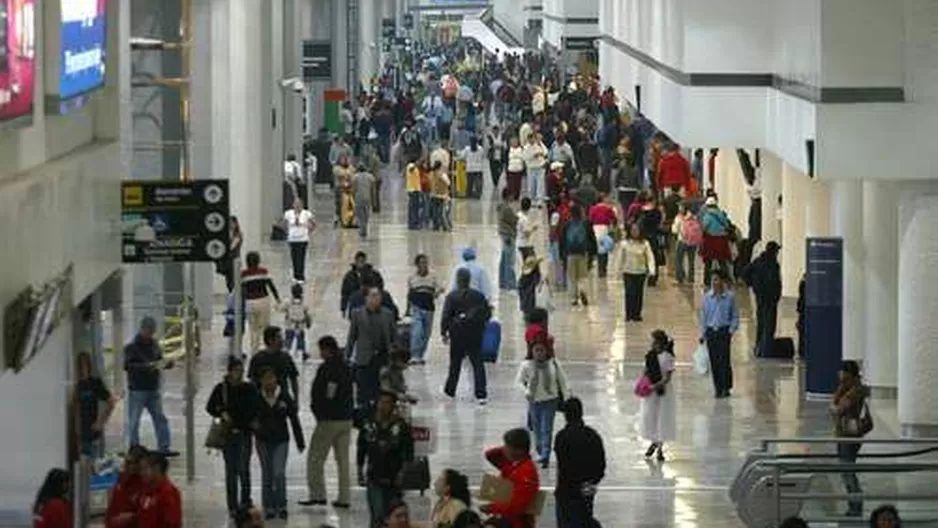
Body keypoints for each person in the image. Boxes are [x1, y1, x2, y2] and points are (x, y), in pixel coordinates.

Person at [301, 336, 354, 509]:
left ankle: (317, 495)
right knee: (343, 461)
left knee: (315, 458)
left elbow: (327, 394)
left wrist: (320, 412)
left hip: (329, 420)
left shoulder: (328, 368)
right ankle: (344, 497)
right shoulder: (346, 367)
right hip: (346, 419)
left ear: (326, 349)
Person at [206, 357, 260, 516]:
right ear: (230, 372)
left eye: (241, 371)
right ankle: (232, 505)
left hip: (244, 433)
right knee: (231, 469)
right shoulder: (221, 389)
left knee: (243, 468)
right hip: (228, 434)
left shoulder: (249, 388)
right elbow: (210, 407)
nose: (240, 374)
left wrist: (251, 422)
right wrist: (221, 412)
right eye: (237, 371)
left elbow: (255, 408)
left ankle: (245, 500)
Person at [254, 367, 306, 520]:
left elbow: (294, 419)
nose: (269, 381)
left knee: (279, 473)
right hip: (262, 440)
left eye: (272, 378)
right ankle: (268, 506)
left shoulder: (284, 396)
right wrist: (254, 427)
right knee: (267, 474)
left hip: (281, 440)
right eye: (266, 378)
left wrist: (300, 441)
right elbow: (250, 416)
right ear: (261, 380)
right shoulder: (257, 397)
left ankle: (281, 505)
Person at [358, 392, 414, 527]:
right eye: (381, 402)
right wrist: (359, 470)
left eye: (387, 403)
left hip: (394, 479)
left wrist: (403, 473)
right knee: (377, 515)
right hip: (374, 477)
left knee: (393, 513)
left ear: (393, 406)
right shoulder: (369, 425)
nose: (382, 406)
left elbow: (408, 452)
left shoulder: (401, 427)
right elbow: (361, 448)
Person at [516, 333, 569, 468]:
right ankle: (540, 450)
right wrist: (526, 391)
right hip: (534, 401)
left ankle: (545, 455)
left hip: (550, 400)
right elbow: (518, 382)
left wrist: (567, 397)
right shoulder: (526, 365)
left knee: (547, 428)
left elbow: (563, 381)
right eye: (536, 350)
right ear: (531, 351)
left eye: (542, 350)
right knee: (537, 428)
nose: (539, 353)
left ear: (547, 351)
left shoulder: (554, 364)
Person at [124, 316, 175, 455]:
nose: (150, 334)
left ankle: (164, 447)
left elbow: (159, 359)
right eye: (148, 330)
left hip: (153, 388)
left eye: (152, 331)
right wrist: (146, 367)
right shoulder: (132, 347)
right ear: (142, 329)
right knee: (134, 420)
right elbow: (128, 366)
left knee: (160, 418)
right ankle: (134, 447)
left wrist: (166, 364)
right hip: (137, 389)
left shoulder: (154, 345)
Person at [441, 269, 491, 405]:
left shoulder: (451, 297)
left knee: (455, 363)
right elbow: (487, 314)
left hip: (457, 334)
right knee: (477, 363)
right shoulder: (479, 296)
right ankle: (481, 393)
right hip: (475, 333)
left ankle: (450, 390)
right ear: (469, 280)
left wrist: (443, 332)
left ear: (458, 280)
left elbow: (446, 316)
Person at [554, 397, 605, 528]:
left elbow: (562, 465)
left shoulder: (562, 436)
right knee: (585, 516)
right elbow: (601, 464)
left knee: (567, 521)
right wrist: (592, 481)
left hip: (567, 489)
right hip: (588, 487)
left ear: (566, 415)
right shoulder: (593, 435)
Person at [830, 360, 870, 517]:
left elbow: (838, 409)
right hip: (843, 434)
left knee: (848, 471)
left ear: (851, 375)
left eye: (843, 375)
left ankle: (856, 507)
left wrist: (834, 408)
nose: (840, 377)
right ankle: (853, 505)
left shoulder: (856, 391)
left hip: (850, 435)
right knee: (845, 470)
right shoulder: (847, 388)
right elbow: (835, 405)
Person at [347, 286, 397, 409]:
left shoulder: (388, 314)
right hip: (364, 359)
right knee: (363, 391)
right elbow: (352, 337)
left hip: (382, 358)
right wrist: (347, 356)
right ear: (366, 298)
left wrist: (395, 357)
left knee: (380, 390)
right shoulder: (357, 314)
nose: (376, 298)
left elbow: (393, 337)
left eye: (378, 295)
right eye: (373, 295)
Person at [481, 429, 539, 528]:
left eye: (507, 446)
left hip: (517, 523)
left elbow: (516, 507)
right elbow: (490, 455)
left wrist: (491, 508)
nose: (504, 449)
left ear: (519, 450)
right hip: (506, 519)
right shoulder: (512, 464)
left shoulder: (526, 472)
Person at [699, 270, 740, 398]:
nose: (715, 283)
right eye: (713, 280)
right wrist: (703, 333)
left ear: (723, 281)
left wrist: (731, 330)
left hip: (723, 331)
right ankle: (717, 387)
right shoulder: (707, 298)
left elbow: (735, 316)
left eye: (717, 279)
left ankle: (726, 386)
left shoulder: (730, 297)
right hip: (711, 331)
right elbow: (704, 317)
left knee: (724, 360)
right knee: (714, 361)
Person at [639, 330, 677, 461]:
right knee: (651, 416)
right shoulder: (650, 356)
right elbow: (645, 372)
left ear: (660, 343)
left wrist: (655, 386)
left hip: (662, 392)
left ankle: (660, 448)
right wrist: (645, 384)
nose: (652, 344)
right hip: (651, 392)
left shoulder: (667, 357)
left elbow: (667, 378)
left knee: (662, 418)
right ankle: (654, 441)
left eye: (655, 341)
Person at [741, 241, 782, 357]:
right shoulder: (773, 264)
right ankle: (765, 350)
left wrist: (753, 285)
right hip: (770, 298)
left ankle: (759, 349)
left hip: (761, 297)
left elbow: (745, 273)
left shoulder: (758, 261)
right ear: (774, 251)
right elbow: (775, 282)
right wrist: (753, 284)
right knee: (769, 324)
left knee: (762, 323)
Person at [74, 351, 116, 458]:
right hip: (82, 435)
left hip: (94, 432)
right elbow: (77, 410)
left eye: (85, 364)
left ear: (89, 365)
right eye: (80, 365)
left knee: (95, 464)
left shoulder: (95, 383)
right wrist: (77, 434)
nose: (83, 368)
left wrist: (100, 422)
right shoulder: (77, 386)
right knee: (84, 466)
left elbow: (111, 402)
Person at [241, 251, 281, 353]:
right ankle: (267, 348)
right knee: (264, 326)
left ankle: (254, 350)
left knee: (253, 328)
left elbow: (242, 290)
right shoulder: (263, 272)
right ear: (258, 261)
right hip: (263, 300)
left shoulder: (244, 274)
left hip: (250, 302)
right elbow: (271, 285)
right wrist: (277, 298)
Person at [248, 326, 300, 403]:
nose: (282, 340)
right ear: (270, 340)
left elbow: (293, 379)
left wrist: (296, 399)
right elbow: (252, 380)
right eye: (278, 337)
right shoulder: (257, 358)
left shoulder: (286, 357)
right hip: (262, 399)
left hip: (283, 397)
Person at [407, 254, 443, 365]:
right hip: (416, 308)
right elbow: (409, 294)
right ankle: (414, 355)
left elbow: (440, 287)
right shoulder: (412, 278)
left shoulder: (433, 276)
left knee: (426, 333)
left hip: (429, 309)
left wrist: (437, 292)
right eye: (421, 262)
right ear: (417, 265)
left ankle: (420, 355)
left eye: (425, 262)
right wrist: (407, 309)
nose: (424, 265)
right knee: (417, 331)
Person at [616, 223, 657, 322]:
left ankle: (637, 314)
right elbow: (619, 258)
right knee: (629, 293)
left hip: (640, 272)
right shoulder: (624, 244)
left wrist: (652, 270)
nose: (635, 232)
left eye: (637, 230)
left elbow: (650, 258)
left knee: (638, 294)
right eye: (633, 230)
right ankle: (628, 314)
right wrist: (618, 271)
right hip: (628, 271)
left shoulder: (645, 244)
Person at [559, 204, 597, 306]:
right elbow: (592, 239)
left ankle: (573, 298)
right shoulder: (586, 224)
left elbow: (562, 240)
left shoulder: (567, 225)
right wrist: (593, 254)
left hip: (570, 254)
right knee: (583, 275)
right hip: (583, 253)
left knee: (571, 277)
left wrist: (561, 255)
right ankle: (582, 290)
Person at [105, 445, 148, 528]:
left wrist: (132, 517)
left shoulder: (146, 483)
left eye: (136, 463)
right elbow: (113, 505)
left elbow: (149, 513)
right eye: (129, 462)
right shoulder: (122, 478)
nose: (132, 466)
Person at [137, 452, 182, 528]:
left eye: (145, 469)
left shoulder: (168, 493)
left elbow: (171, 523)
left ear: (156, 469)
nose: (141, 473)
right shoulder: (147, 490)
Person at [699, 196, 734, 286]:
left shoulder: (707, 216)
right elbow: (726, 225)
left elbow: (704, 228)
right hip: (722, 240)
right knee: (722, 261)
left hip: (711, 241)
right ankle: (726, 279)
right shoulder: (721, 214)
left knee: (708, 263)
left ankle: (706, 281)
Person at [282, 197, 316, 283]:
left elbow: (313, 224)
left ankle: (301, 276)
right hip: (292, 239)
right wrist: (288, 232)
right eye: (295, 204)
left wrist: (308, 232)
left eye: (299, 204)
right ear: (293, 205)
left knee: (301, 257)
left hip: (303, 239)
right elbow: (284, 224)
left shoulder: (307, 214)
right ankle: (295, 275)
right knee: (294, 258)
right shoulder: (288, 214)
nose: (297, 206)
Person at [340, 251, 385, 316]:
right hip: (356, 305)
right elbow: (345, 293)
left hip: (372, 306)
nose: (360, 264)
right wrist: (343, 308)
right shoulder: (349, 276)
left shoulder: (374, 274)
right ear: (355, 261)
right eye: (358, 261)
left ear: (365, 261)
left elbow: (380, 288)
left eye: (362, 261)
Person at [671, 204, 702, 284]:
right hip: (693, 242)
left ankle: (680, 278)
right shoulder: (694, 218)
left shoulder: (679, 218)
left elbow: (674, 230)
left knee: (678, 260)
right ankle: (691, 278)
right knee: (691, 261)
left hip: (682, 240)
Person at [282, 284, 312, 362]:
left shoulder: (288, 302)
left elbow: (282, 309)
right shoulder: (304, 302)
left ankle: (285, 353)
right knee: (301, 340)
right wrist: (308, 322)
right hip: (300, 324)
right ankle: (303, 353)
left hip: (290, 324)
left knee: (288, 340)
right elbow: (307, 313)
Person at [497, 189, 518, 290]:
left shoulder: (501, 206)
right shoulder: (507, 209)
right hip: (508, 235)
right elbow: (513, 220)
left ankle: (502, 282)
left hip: (503, 234)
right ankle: (510, 283)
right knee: (509, 260)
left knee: (504, 259)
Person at [351, 163, 378, 238]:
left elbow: (353, 189)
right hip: (367, 198)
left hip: (358, 198)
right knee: (366, 215)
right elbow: (373, 190)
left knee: (360, 216)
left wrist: (353, 197)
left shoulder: (355, 177)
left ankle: (362, 230)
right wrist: (374, 202)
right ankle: (364, 229)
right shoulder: (371, 177)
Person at [523, 132, 548, 205]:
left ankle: (539, 199)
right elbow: (525, 157)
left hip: (540, 167)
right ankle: (531, 199)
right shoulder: (526, 147)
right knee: (531, 184)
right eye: (530, 139)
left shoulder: (539, 144)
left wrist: (540, 148)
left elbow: (545, 152)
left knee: (540, 184)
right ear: (528, 139)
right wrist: (533, 155)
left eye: (533, 138)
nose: (531, 140)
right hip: (531, 168)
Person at [334, 154, 356, 228]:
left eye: (345, 159)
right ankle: (342, 220)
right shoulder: (337, 168)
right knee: (341, 206)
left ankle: (350, 220)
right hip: (340, 190)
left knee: (351, 206)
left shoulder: (350, 167)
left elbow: (352, 174)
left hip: (350, 190)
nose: (343, 161)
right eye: (342, 159)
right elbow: (340, 174)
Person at [506, 136, 525, 201]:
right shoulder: (509, 149)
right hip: (511, 169)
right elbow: (507, 158)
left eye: (515, 141)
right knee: (511, 184)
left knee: (518, 184)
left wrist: (516, 156)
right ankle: (511, 195)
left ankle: (517, 195)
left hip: (519, 169)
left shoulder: (521, 149)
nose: (514, 143)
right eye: (512, 142)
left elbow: (522, 157)